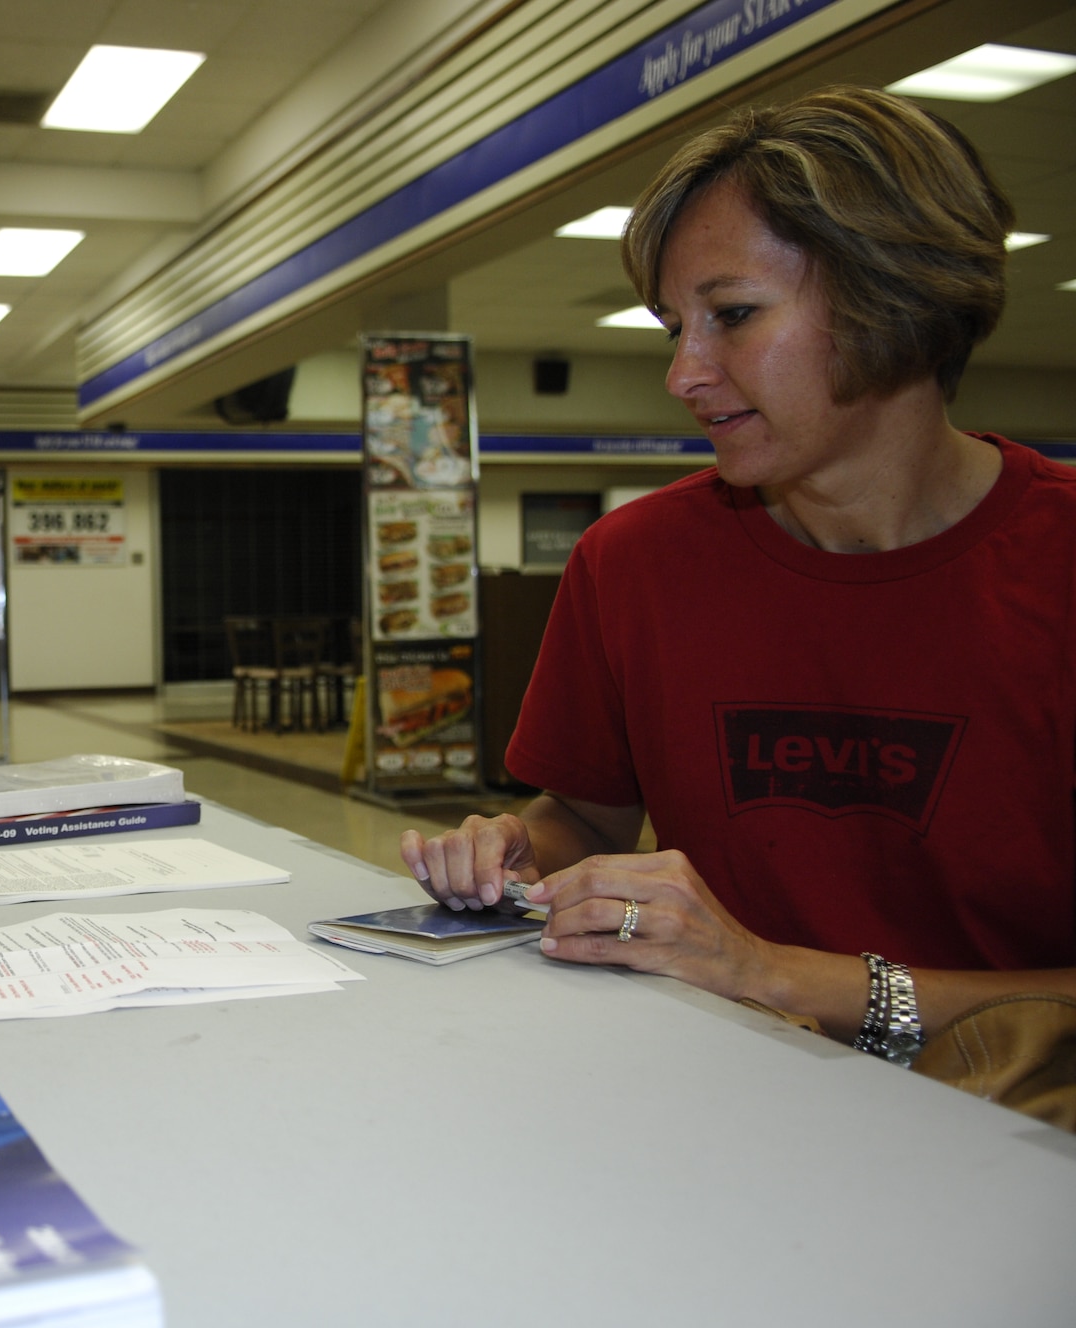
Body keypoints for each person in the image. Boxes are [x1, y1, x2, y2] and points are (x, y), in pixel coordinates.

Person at [401, 87, 1076, 1059]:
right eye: (672, 324)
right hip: (714, 1095)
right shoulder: (631, 563)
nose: (682, 373)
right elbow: (584, 814)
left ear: (898, 294)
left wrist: (771, 971)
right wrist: (515, 858)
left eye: (730, 314)